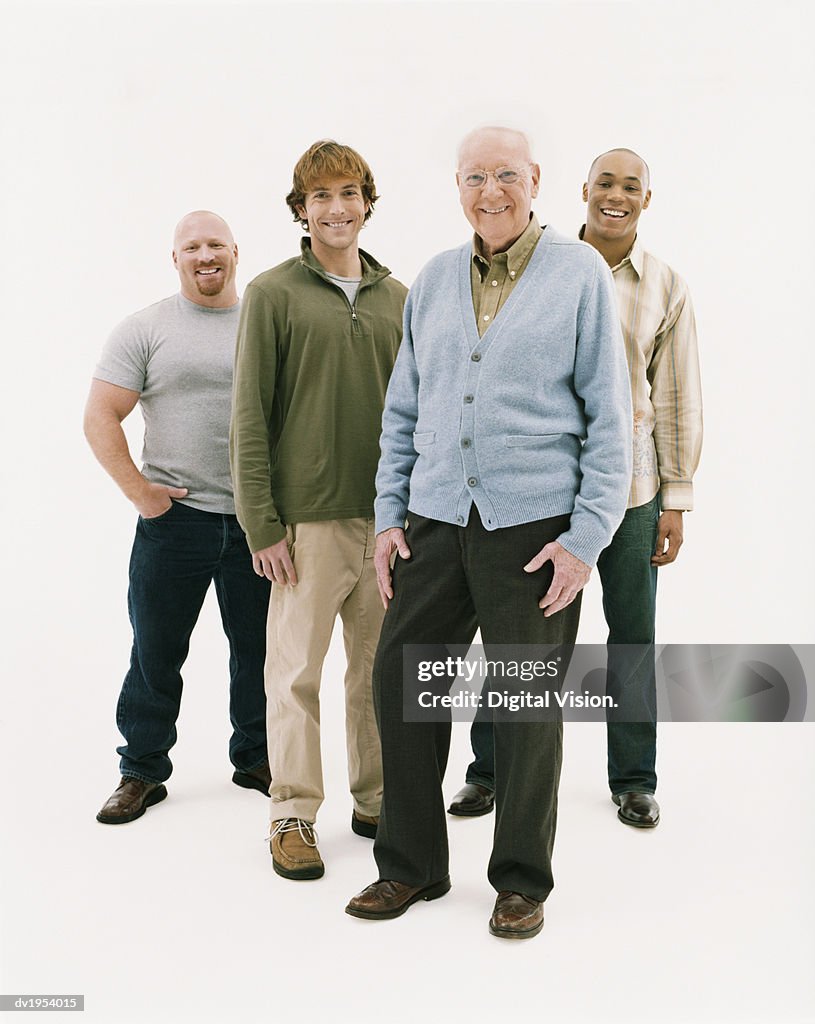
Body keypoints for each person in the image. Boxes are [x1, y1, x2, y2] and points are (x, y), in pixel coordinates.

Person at [345, 126, 632, 939]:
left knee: (524, 709)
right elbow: (402, 410)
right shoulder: (433, 279)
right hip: (434, 523)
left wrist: (584, 540)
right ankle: (409, 868)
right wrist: (388, 516)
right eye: (474, 176)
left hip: (532, 531)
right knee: (402, 690)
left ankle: (518, 880)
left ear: (536, 181)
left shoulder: (577, 274)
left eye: (506, 174)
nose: (490, 191)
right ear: (457, 186)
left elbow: (611, 420)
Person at [452, 148, 703, 829]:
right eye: (604, 183)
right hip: (542, 491)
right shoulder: (541, 267)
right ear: (583, 191)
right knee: (517, 638)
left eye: (631, 186)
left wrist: (674, 497)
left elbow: (674, 397)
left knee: (631, 636)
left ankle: (632, 777)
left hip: (629, 492)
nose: (615, 195)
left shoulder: (664, 286)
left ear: (645, 200)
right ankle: (489, 768)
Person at [230, 141, 407, 881]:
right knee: (294, 673)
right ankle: (292, 814)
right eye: (321, 196)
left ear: (366, 202)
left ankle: (375, 801)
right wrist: (261, 523)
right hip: (305, 525)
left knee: (375, 673)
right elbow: (247, 416)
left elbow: (416, 414)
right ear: (300, 210)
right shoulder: (273, 292)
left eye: (348, 193)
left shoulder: (401, 297)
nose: (337, 208)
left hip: (389, 523)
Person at [85, 211, 272, 826]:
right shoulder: (146, 328)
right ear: (175, 259)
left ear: (236, 252)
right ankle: (141, 770)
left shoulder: (267, 322)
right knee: (155, 651)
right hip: (175, 522)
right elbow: (100, 416)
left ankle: (257, 758)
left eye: (215, 244)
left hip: (257, 524)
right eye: (191, 247)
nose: (204, 255)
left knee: (261, 651)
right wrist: (143, 494)